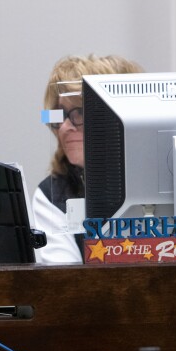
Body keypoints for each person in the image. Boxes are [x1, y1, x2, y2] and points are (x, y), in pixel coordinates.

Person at [33, 54, 143, 264]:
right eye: (60, 115)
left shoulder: (169, 177)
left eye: (80, 113)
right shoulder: (52, 194)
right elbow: (70, 285)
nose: (65, 127)